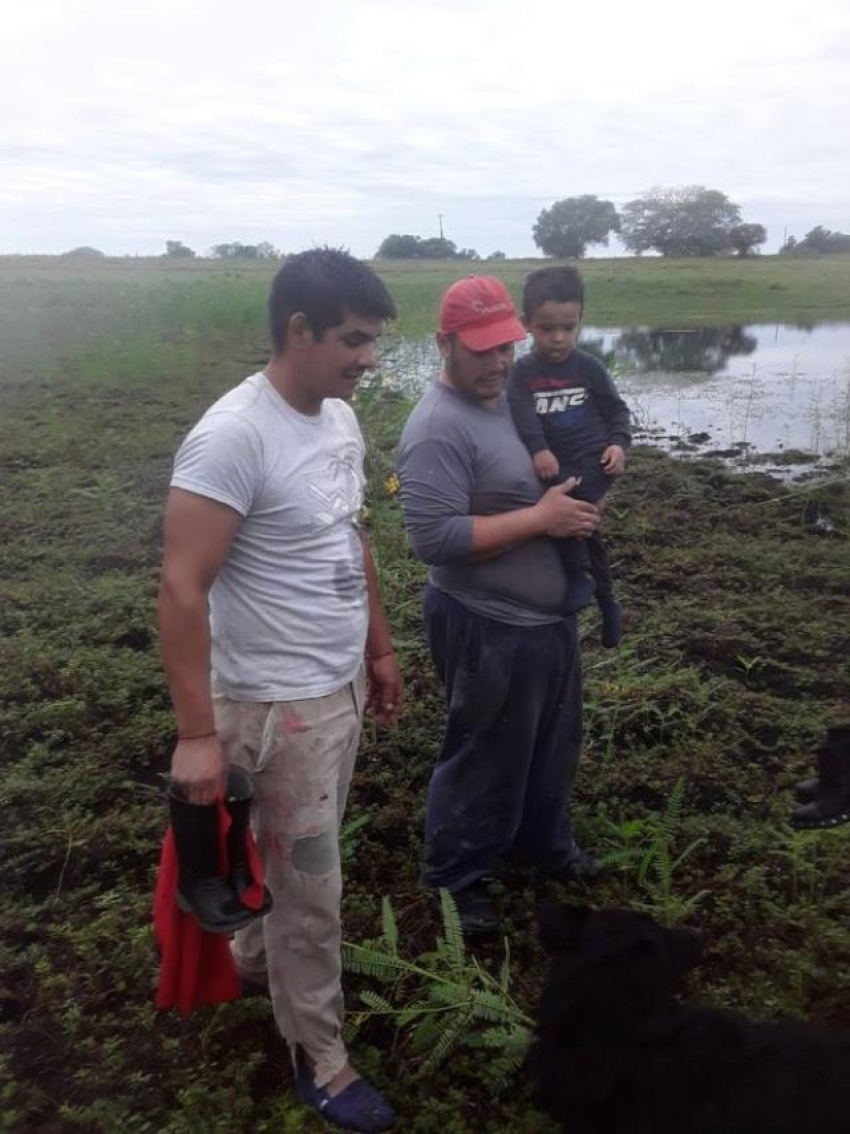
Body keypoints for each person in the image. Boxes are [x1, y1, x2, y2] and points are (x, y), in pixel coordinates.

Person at [158, 248, 402, 1133]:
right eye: (352, 340)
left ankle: (260, 957)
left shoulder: (339, 418)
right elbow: (182, 585)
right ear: (297, 329)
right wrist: (197, 737)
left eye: (371, 342)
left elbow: (351, 534)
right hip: (269, 700)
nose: (366, 359)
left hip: (332, 686)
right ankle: (320, 1057)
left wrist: (377, 647)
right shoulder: (234, 435)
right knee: (312, 888)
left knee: (307, 861)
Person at [396, 275, 602, 936]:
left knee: (549, 744)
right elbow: (436, 540)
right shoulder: (436, 427)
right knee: (486, 752)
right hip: (486, 624)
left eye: (505, 346)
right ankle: (457, 876)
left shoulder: (510, 400)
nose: (498, 362)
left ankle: (541, 845)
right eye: (480, 349)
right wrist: (542, 520)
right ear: (444, 344)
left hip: (546, 622)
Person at [507, 266, 632, 647]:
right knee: (587, 531)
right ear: (526, 324)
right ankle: (607, 603)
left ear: (580, 321)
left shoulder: (589, 367)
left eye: (568, 327)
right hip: (556, 466)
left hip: (594, 465)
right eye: (547, 329)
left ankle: (579, 578)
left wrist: (619, 445)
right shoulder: (523, 372)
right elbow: (523, 415)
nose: (558, 338)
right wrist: (538, 448)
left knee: (573, 516)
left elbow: (617, 411)